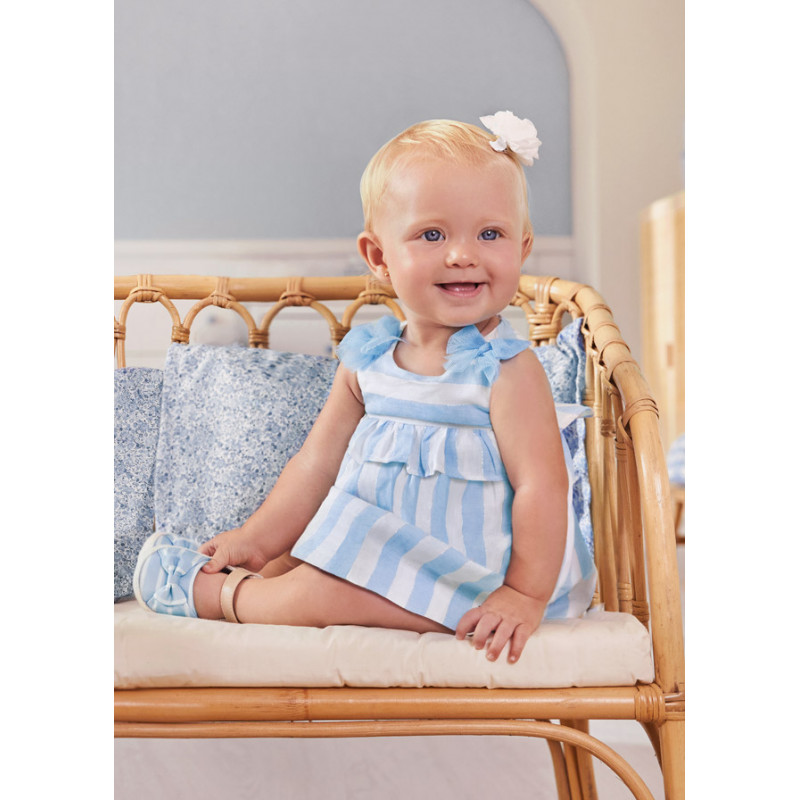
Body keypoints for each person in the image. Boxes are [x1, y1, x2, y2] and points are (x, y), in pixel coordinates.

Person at [133, 111, 597, 664]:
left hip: (471, 575)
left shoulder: (508, 371)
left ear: (521, 249)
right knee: (294, 560)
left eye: (489, 234)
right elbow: (316, 465)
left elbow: (542, 487)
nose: (462, 254)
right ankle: (255, 571)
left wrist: (523, 593)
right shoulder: (370, 360)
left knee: (318, 593)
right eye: (432, 234)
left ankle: (222, 597)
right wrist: (256, 539)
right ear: (379, 257)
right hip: (383, 547)